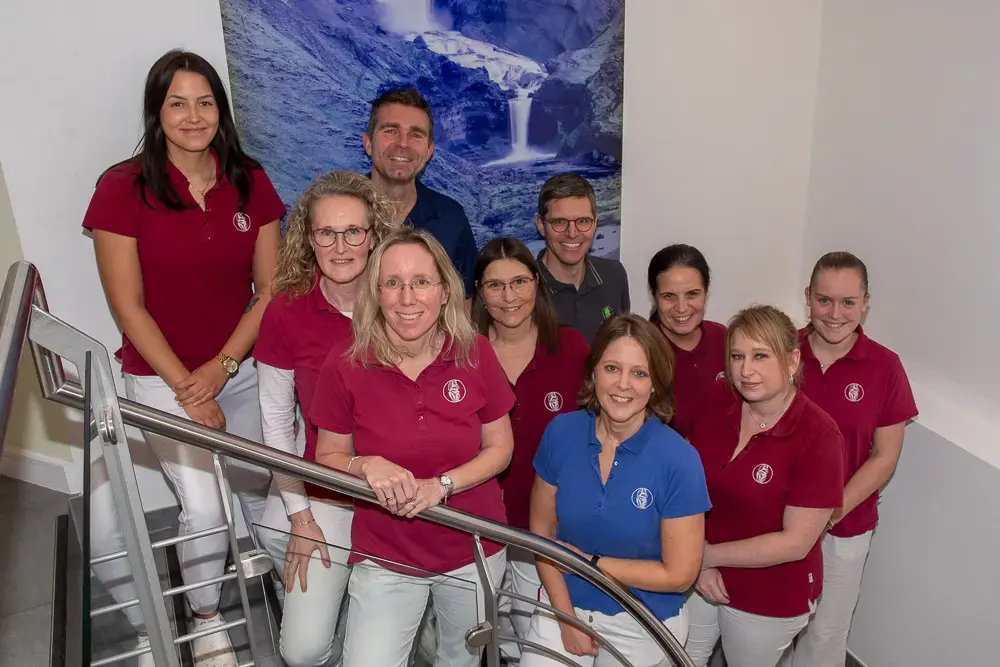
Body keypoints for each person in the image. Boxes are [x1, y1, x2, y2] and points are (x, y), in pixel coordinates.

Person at [82, 50, 285, 666]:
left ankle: (283, 590)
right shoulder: (122, 188)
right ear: (157, 110)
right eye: (177, 102)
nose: (193, 116)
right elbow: (128, 306)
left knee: (261, 491)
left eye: (205, 102)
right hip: (159, 379)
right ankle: (203, 621)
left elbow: (270, 290)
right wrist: (188, 388)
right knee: (204, 509)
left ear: (220, 111)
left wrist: (221, 368)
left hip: (240, 371)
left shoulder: (249, 178)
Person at [310, 227, 514, 667]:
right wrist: (364, 464)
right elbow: (326, 456)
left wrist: (442, 485)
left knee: (460, 660)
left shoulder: (474, 351)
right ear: (376, 293)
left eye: (421, 282)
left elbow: (501, 448)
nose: (407, 298)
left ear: (444, 291)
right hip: (387, 553)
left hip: (472, 548)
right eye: (393, 283)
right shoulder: (346, 362)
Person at [253, 171, 400, 666]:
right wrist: (301, 517)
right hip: (326, 489)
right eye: (326, 233)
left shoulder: (403, 305)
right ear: (308, 239)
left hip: (395, 491)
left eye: (354, 232)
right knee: (302, 652)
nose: (341, 246)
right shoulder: (285, 312)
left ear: (374, 235)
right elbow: (276, 422)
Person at [522, 313, 711, 667]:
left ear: (655, 383)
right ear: (593, 373)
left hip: (643, 615)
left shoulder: (679, 459)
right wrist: (565, 617)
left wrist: (589, 564)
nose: (623, 384)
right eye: (611, 368)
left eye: (639, 373)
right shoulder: (561, 434)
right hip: (565, 599)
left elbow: (679, 574)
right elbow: (542, 534)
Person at [684, 305, 845, 667]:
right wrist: (698, 561)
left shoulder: (819, 436)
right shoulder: (720, 400)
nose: (746, 370)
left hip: (769, 594)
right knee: (679, 657)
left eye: (760, 356)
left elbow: (795, 542)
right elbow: (685, 483)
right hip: (698, 566)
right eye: (738, 356)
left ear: (791, 362)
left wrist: (708, 556)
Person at [788, 252, 917, 667]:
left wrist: (829, 511)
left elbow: (885, 457)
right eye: (824, 300)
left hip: (846, 525)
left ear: (865, 302)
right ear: (808, 297)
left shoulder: (886, 366)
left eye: (848, 302)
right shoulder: (781, 352)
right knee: (774, 624)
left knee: (826, 631)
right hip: (775, 519)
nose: (835, 314)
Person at [470, 237, 591, 660]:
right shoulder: (461, 354)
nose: (509, 297)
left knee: (532, 641)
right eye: (495, 285)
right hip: (475, 526)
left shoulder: (571, 349)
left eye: (519, 282)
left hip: (546, 531)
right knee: (478, 637)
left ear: (536, 284)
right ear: (480, 293)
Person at [363, 87, 478, 300]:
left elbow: (464, 305)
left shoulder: (451, 218)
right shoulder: (338, 215)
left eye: (415, 135)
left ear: (428, 152)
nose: (403, 144)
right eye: (391, 131)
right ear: (368, 143)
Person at [534, 173, 630, 344]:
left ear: (595, 222)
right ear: (541, 225)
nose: (572, 233)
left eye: (583, 221)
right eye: (560, 222)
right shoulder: (525, 290)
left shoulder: (615, 276)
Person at [647, 244, 726, 440]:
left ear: (706, 294)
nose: (681, 308)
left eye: (692, 294)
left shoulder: (725, 339)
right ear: (654, 297)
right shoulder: (641, 348)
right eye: (669, 296)